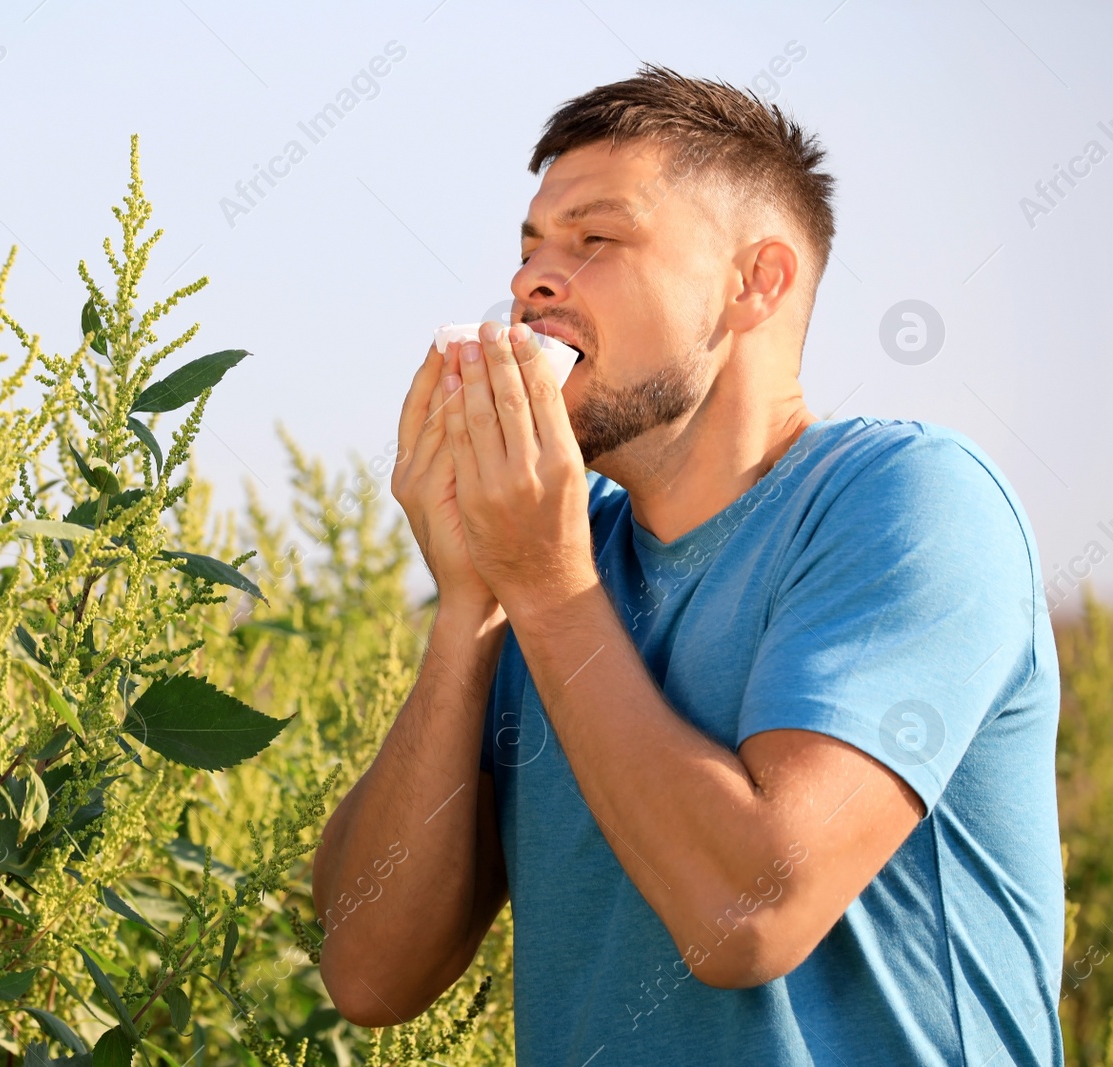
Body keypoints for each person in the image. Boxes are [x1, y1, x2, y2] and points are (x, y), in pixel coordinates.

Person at [312, 63, 1064, 1065]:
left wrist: (540, 584)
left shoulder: (910, 500)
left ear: (756, 282)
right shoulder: (554, 557)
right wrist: (469, 606)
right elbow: (368, 972)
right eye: (531, 246)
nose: (534, 280)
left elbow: (749, 915)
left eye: (596, 240)